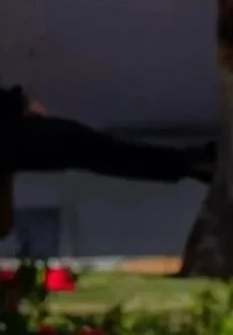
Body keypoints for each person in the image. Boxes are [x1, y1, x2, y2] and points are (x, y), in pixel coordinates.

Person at [0, 84, 214, 245]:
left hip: (19, 139)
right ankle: (191, 164)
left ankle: (191, 165)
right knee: (100, 152)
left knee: (101, 153)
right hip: (19, 140)